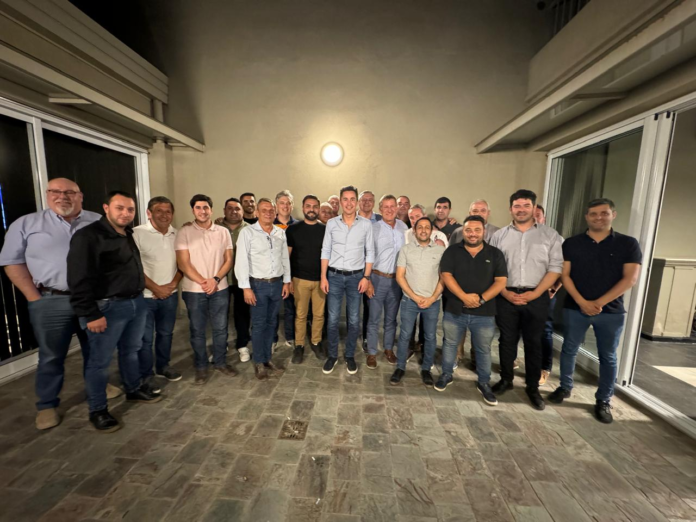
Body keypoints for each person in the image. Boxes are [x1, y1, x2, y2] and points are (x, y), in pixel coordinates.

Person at [0, 178, 102, 430]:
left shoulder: (98, 221)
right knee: (51, 355)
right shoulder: (26, 224)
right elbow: (11, 262)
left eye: (70, 192)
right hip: (50, 300)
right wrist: (33, 297)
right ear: (47, 195)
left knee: (97, 350)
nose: (62, 196)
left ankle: (98, 387)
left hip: (93, 300)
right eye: (55, 191)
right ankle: (46, 404)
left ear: (80, 196)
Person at [68, 191, 160, 433]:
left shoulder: (126, 233)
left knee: (131, 351)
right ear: (106, 208)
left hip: (135, 303)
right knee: (99, 362)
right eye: (120, 208)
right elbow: (78, 279)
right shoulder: (88, 237)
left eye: (130, 209)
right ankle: (98, 410)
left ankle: (133, 389)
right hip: (107, 308)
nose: (125, 213)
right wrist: (91, 314)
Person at [548, 199, 641, 424]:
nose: (599, 217)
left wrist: (598, 302)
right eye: (593, 214)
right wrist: (582, 302)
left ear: (613, 215)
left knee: (608, 356)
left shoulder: (628, 244)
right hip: (575, 307)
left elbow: (630, 279)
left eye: (604, 213)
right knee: (569, 349)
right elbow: (565, 275)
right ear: (586, 217)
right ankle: (564, 387)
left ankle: (604, 399)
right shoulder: (572, 243)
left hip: (610, 311)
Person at [489, 189, 563, 410]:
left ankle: (532, 387)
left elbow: (555, 268)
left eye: (526, 206)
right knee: (506, 340)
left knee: (534, 342)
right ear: (510, 209)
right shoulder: (499, 236)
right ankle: (506, 379)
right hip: (506, 295)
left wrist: (536, 293)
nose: (521, 210)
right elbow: (491, 268)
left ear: (534, 208)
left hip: (537, 296)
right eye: (517, 206)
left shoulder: (550, 235)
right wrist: (504, 292)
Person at [437, 216, 508, 402]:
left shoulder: (495, 254)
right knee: (450, 344)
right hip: (455, 309)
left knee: (483, 349)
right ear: (463, 231)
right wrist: (464, 297)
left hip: (484, 312)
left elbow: (501, 281)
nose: (472, 234)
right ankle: (446, 374)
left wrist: (481, 299)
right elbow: (446, 275)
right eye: (468, 230)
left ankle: (484, 382)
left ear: (484, 231)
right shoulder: (452, 251)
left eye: (477, 230)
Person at [176, 194, 235, 385]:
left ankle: (220, 362)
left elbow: (229, 260)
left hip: (220, 288)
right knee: (197, 330)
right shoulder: (184, 232)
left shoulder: (223, 231)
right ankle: (201, 366)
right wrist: (204, 282)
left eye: (206, 207)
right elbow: (183, 263)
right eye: (198, 208)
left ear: (211, 209)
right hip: (194, 290)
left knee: (220, 329)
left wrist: (215, 280)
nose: (202, 211)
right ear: (193, 210)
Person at [235, 198, 292, 380]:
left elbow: (285, 258)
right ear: (257, 213)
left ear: (275, 213)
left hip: (276, 284)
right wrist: (245, 287)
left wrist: (287, 281)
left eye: (271, 210)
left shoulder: (279, 232)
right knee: (259, 324)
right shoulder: (247, 233)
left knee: (272, 323)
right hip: (257, 285)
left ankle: (267, 358)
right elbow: (241, 261)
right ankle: (259, 361)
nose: (268, 213)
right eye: (264, 210)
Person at [321, 185, 375, 375]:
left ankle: (350, 355)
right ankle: (332, 355)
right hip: (334, 277)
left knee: (353, 320)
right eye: (345, 199)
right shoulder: (332, 224)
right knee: (333, 319)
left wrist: (366, 277)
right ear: (341, 202)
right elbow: (326, 250)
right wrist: (323, 277)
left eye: (353, 199)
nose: (349, 203)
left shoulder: (366, 225)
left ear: (357, 202)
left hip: (356, 278)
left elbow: (370, 252)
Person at [133, 197, 183, 388]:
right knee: (145, 339)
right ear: (149, 213)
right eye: (159, 211)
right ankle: (146, 374)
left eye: (168, 211)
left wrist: (171, 286)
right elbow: (135, 267)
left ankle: (163, 366)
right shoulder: (137, 233)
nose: (164, 215)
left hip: (170, 295)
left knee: (166, 334)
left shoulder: (177, 234)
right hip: (145, 297)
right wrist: (156, 288)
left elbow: (183, 264)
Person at [390, 217, 445, 386]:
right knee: (405, 334)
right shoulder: (406, 250)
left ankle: (426, 369)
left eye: (427, 227)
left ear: (431, 230)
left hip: (432, 302)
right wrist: (414, 297)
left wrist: (432, 298)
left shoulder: (440, 251)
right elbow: (400, 276)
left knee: (430, 336)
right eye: (420, 227)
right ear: (414, 231)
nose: (423, 230)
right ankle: (400, 367)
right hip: (410, 301)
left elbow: (444, 278)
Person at [449, 199, 501, 371]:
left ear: (488, 213)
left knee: (481, 333)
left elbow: (500, 268)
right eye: (474, 211)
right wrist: (461, 294)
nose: (478, 213)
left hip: (486, 292)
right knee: (458, 328)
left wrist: (483, 297)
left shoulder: (498, 233)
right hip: (460, 291)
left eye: (482, 210)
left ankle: (476, 358)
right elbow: (450, 259)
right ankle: (458, 355)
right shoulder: (458, 232)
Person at [365, 195, 408, 368]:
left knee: (391, 319)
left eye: (392, 206)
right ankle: (372, 352)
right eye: (386, 207)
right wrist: (367, 280)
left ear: (397, 208)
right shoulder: (373, 228)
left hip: (397, 281)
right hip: (377, 278)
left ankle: (388, 349)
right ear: (380, 209)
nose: (389, 210)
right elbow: (366, 255)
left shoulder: (404, 228)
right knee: (374, 318)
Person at [287, 195, 326, 364]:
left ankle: (316, 342)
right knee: (300, 315)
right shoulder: (293, 229)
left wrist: (326, 278)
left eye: (315, 206)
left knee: (319, 314)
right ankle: (299, 345)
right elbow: (286, 257)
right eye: (308, 206)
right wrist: (288, 280)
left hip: (320, 280)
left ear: (318, 209)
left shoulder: (325, 230)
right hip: (299, 280)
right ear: (303, 208)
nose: (312, 209)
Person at [215, 198, 251, 362]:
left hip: (241, 280)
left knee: (242, 314)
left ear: (242, 211)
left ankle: (242, 345)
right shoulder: (215, 228)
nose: (234, 211)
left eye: (237, 209)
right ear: (224, 211)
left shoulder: (249, 229)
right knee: (219, 315)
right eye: (230, 208)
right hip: (220, 278)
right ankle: (220, 347)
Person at [533, 204, 562, 385]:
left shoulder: (554, 237)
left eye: (538, 215)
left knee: (544, 331)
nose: (534, 218)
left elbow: (562, 266)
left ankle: (545, 368)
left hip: (545, 293)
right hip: (521, 292)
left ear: (543, 218)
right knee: (518, 331)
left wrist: (554, 288)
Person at [273, 190, 298, 350]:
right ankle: (272, 338)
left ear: (292, 206)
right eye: (282, 203)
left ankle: (290, 336)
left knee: (290, 308)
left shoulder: (298, 226)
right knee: (274, 309)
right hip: (274, 273)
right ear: (276, 205)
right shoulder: (268, 223)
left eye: (288, 203)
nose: (285, 206)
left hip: (293, 274)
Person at [358, 190, 382, 350]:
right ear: (358, 202)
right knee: (353, 307)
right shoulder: (351, 218)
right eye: (363, 199)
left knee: (369, 305)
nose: (366, 202)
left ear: (374, 203)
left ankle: (367, 337)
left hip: (371, 271)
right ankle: (352, 335)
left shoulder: (380, 220)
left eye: (370, 200)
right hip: (353, 269)